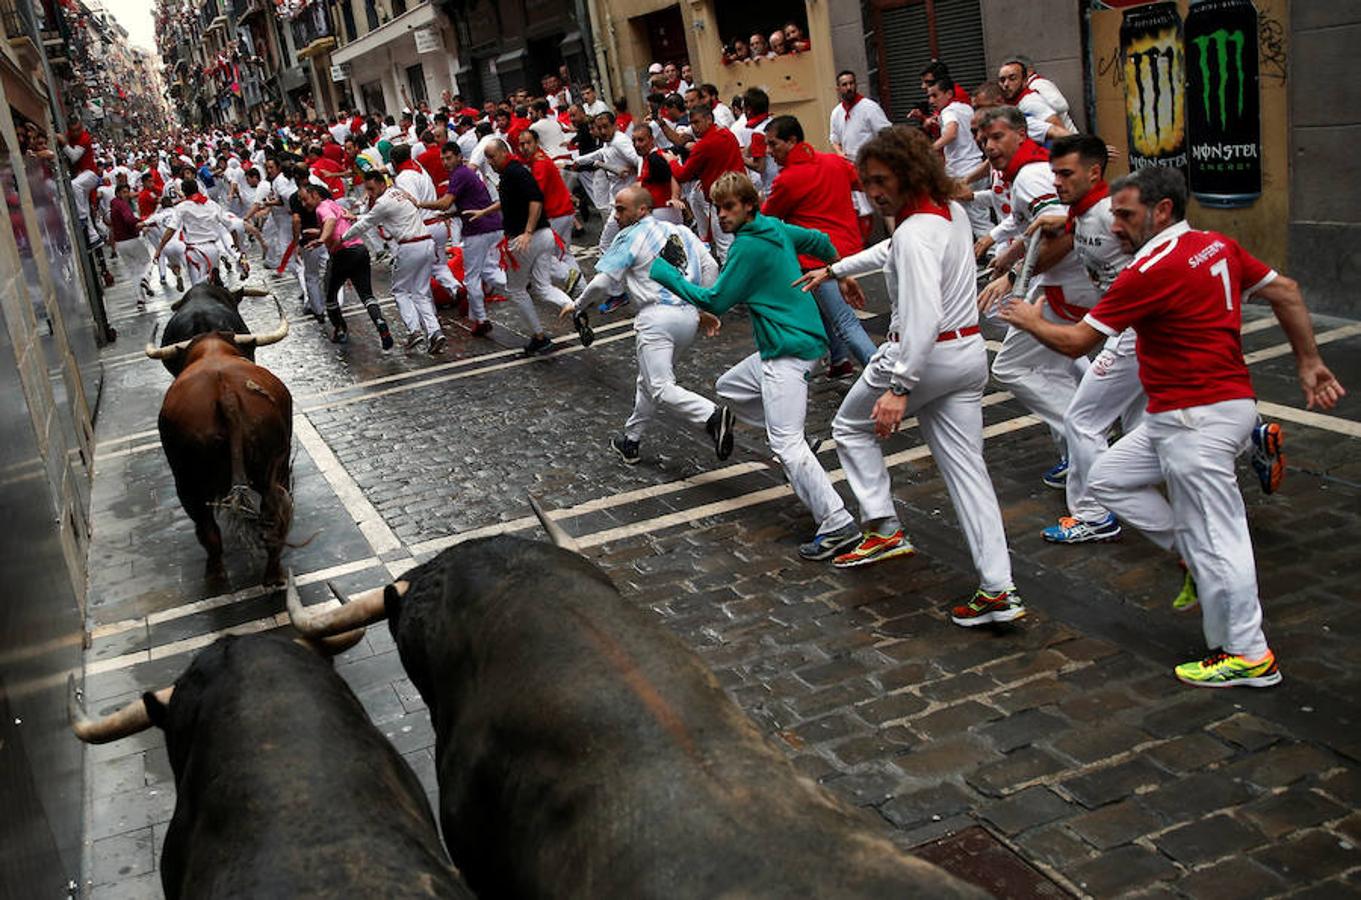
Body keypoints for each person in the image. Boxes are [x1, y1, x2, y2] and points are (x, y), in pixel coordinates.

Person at [999, 166, 1345, 687]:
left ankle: (1251, 654)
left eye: (1125, 214)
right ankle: (1190, 556)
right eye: (1114, 213)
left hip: (1195, 419)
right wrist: (1307, 362)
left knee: (1222, 537)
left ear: (1162, 211)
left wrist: (1028, 319)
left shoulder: (1149, 270)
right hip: (1201, 409)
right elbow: (1288, 291)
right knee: (1107, 477)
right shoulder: (1215, 245)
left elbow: (1075, 344)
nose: (1115, 225)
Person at [797, 126, 1021, 625]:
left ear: (907, 173)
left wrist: (900, 386)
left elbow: (921, 314)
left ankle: (882, 526)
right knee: (969, 473)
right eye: (866, 183)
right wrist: (834, 270)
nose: (873, 192)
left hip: (924, 355)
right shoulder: (948, 214)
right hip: (965, 356)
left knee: (850, 428)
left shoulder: (917, 231)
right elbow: (891, 251)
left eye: (880, 180)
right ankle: (998, 589)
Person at [650, 171, 857, 557]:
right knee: (731, 387)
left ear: (748, 205)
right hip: (797, 341)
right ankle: (799, 445)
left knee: (786, 444)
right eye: (717, 208)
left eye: (729, 207)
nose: (722, 215)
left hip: (787, 348)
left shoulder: (748, 246)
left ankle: (838, 524)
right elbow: (822, 241)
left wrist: (665, 274)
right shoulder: (773, 228)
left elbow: (715, 300)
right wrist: (838, 273)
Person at [561, 185, 734, 464]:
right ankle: (631, 440)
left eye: (621, 209)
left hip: (656, 318)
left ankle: (711, 416)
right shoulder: (681, 231)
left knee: (660, 386)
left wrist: (578, 305)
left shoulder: (630, 235)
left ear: (642, 210)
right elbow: (711, 268)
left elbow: (604, 282)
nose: (616, 215)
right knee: (648, 381)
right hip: (687, 316)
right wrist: (704, 308)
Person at [1023, 134, 1138, 544]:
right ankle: (1244, 438)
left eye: (1066, 174)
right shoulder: (1083, 210)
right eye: (1054, 173)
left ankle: (1093, 514)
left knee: (1083, 420)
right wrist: (1052, 219)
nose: (1056, 182)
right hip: (1134, 331)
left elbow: (1075, 344)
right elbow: (1074, 221)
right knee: (1146, 423)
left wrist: (1029, 320)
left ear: (1094, 172)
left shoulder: (1115, 213)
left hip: (1132, 332)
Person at [975, 106, 1097, 487]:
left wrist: (1012, 275)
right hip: (1063, 287)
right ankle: (1080, 447)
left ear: (1021, 134)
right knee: (1062, 364)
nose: (988, 145)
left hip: (1065, 288)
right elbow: (1033, 223)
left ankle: (1088, 442)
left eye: (996, 137)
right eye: (983, 138)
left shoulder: (1029, 174)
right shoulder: (1021, 173)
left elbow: (1062, 232)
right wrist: (1007, 252)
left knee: (1012, 365)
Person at [760, 115, 875, 375]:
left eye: (773, 144)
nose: (769, 151)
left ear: (791, 141)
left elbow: (767, 218)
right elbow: (863, 182)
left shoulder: (787, 180)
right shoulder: (833, 161)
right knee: (829, 311)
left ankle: (884, 374)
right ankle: (838, 360)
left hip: (816, 259)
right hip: (846, 251)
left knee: (845, 321)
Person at [479, 138, 581, 355]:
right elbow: (512, 201)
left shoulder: (515, 172)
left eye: (492, 157)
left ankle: (539, 336)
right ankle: (571, 305)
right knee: (542, 286)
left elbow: (535, 199)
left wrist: (527, 232)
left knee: (516, 289)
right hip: (543, 236)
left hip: (526, 239)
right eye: (487, 158)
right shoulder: (513, 173)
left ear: (504, 153)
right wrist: (484, 212)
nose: (490, 162)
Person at [346, 170, 448, 354]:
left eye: (371, 188)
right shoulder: (398, 192)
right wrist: (358, 217)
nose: (369, 192)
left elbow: (366, 223)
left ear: (381, 184)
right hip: (426, 242)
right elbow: (376, 217)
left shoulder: (383, 202)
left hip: (410, 246)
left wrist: (342, 238)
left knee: (400, 291)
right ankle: (435, 331)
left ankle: (414, 330)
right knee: (420, 292)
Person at [415, 141, 504, 337]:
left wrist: (419, 204)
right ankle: (517, 285)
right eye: (443, 159)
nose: (445, 162)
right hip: (491, 226)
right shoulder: (464, 174)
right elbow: (467, 203)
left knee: (471, 277)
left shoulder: (460, 174)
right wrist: (451, 216)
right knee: (489, 271)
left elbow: (445, 203)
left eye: (448, 158)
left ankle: (481, 319)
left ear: (458, 157)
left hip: (478, 230)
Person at [301, 183, 394, 349]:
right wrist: (318, 232)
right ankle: (380, 324)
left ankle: (340, 330)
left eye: (305, 199)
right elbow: (335, 226)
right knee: (367, 295)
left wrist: (321, 240)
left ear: (315, 194)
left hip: (342, 253)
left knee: (330, 295)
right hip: (360, 250)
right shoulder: (334, 205)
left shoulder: (322, 208)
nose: (304, 204)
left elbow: (329, 222)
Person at [664, 103, 746, 262]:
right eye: (691, 123)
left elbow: (682, 174)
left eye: (696, 122)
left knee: (726, 248)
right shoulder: (727, 134)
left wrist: (672, 161)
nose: (693, 127)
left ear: (709, 119)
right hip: (740, 195)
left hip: (722, 199)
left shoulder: (705, 144)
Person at [391, 143, 466, 308]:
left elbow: (410, 206)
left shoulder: (404, 178)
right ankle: (455, 288)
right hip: (437, 224)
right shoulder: (419, 168)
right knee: (438, 265)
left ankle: (430, 313)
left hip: (424, 229)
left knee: (421, 276)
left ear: (395, 162)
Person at [516, 129, 582, 295]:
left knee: (543, 253)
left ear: (536, 143)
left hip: (556, 214)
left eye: (528, 143)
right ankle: (582, 290)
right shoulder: (538, 159)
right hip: (562, 212)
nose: (524, 147)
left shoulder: (539, 164)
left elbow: (536, 194)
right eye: (521, 144)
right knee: (564, 253)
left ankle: (571, 280)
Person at [925, 76, 989, 239]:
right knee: (976, 215)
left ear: (948, 94)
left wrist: (928, 150)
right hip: (977, 166)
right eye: (929, 96)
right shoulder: (967, 108)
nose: (931, 100)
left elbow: (951, 133)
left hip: (962, 171)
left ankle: (993, 252)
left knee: (974, 218)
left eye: (935, 95)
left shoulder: (948, 112)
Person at [154, 178, 247, 287]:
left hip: (194, 252)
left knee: (197, 288)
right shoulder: (212, 205)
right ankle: (214, 281)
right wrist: (236, 245)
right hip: (212, 250)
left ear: (183, 192)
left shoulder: (181, 208)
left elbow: (171, 230)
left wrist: (159, 249)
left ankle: (207, 281)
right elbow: (231, 228)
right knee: (214, 286)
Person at [830, 71, 891, 164]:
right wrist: (839, 153)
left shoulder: (870, 107)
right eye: (844, 85)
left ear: (856, 85)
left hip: (869, 163)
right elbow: (834, 139)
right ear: (838, 89)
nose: (849, 87)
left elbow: (887, 133)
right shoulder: (836, 113)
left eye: (851, 83)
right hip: (848, 165)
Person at [108, 183, 151, 306]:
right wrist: (141, 223)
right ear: (118, 194)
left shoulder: (114, 205)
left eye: (128, 192)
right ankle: (145, 279)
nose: (127, 195)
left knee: (133, 270)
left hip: (120, 243)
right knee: (148, 261)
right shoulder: (123, 205)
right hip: (132, 240)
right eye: (124, 192)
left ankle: (140, 298)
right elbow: (129, 219)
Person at [998, 58, 1064, 133]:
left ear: (1025, 81)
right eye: (1002, 80)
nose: (1006, 84)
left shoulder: (1031, 102)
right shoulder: (1008, 102)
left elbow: (1060, 130)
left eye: (1012, 78)